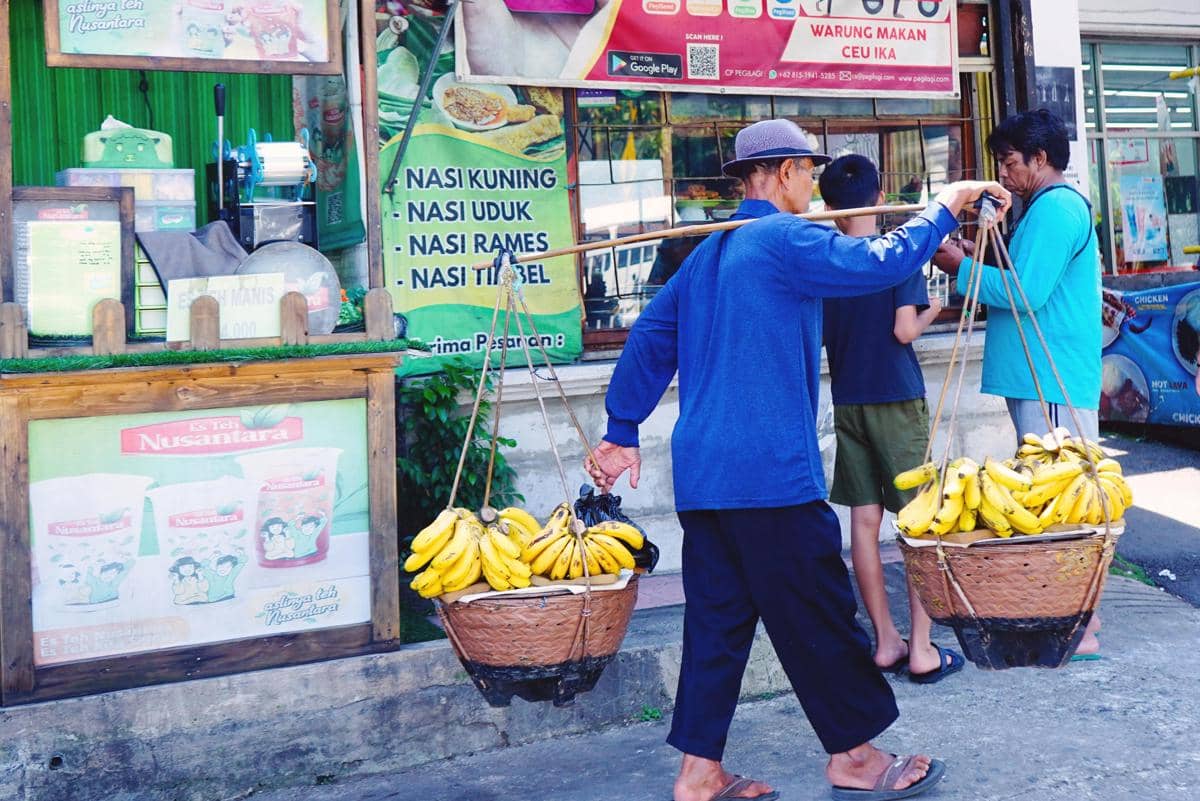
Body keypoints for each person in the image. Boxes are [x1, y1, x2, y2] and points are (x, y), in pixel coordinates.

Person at [583, 118, 1010, 801]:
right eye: (808, 173)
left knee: (718, 625)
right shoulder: (787, 238)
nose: (814, 186)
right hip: (768, 476)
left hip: (704, 479)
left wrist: (621, 428)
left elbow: (648, 340)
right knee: (818, 612)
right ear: (782, 174)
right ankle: (858, 759)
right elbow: (884, 261)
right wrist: (948, 200)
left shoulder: (709, 253)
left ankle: (698, 774)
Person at [933, 108, 1103, 657]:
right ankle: (1069, 620)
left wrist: (960, 265)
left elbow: (1025, 292)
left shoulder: (1056, 210)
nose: (1004, 174)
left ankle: (1081, 627)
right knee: (1050, 501)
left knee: (1065, 505)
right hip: (1037, 374)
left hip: (1048, 377)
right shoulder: (1042, 209)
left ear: (1041, 159)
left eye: (1010, 163)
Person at [819, 154, 962, 684]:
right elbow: (904, 331)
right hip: (897, 400)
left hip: (849, 399)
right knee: (920, 519)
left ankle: (884, 641)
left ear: (828, 207)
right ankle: (922, 647)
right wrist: (932, 310)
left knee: (863, 520)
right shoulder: (897, 255)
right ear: (880, 199)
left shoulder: (826, 260)